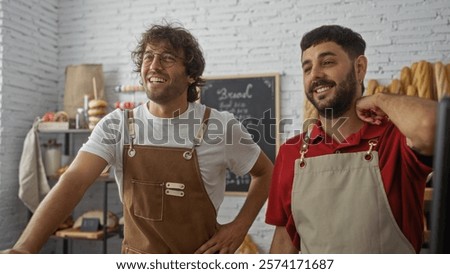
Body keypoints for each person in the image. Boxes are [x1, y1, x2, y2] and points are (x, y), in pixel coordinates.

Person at [4, 23, 273, 254]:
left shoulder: (218, 125)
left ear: (191, 75)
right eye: (148, 56)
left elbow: (266, 173)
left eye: (167, 57)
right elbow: (73, 182)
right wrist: (25, 249)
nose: (154, 65)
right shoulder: (117, 125)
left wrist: (240, 225)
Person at [265, 25, 436, 254]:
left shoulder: (396, 139)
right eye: (307, 68)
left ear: (359, 68)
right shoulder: (290, 153)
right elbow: (284, 241)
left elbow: (433, 126)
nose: (315, 74)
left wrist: (380, 99)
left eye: (327, 62)